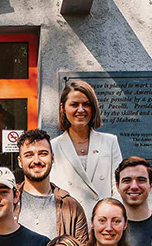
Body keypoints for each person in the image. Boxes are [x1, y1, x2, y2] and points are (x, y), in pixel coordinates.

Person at [49, 80, 123, 214]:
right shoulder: (53, 147)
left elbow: (118, 187)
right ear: (63, 108)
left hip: (104, 224)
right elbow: (52, 192)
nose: (81, 110)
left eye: (86, 104)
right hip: (70, 224)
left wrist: (110, 218)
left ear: (93, 108)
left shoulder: (110, 142)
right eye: (74, 104)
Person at [14, 129, 90, 246]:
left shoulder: (71, 207)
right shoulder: (8, 202)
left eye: (43, 154)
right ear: (20, 161)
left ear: (52, 158)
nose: (36, 160)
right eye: (29, 155)